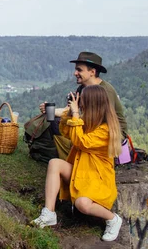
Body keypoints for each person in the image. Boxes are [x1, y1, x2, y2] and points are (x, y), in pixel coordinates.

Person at [32, 85, 123, 242]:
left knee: (83, 204)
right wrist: (69, 112)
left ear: (92, 104)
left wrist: (75, 113)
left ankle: (113, 219)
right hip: (82, 171)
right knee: (54, 163)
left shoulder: (106, 130)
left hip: (97, 179)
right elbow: (66, 132)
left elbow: (82, 142)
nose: (81, 104)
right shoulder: (88, 122)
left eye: (83, 101)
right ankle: (49, 213)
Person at [40, 52, 127, 141]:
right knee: (54, 123)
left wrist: (76, 119)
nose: (75, 73)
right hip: (93, 127)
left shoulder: (104, 91)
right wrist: (50, 110)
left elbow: (102, 122)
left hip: (112, 134)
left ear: (92, 72)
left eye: (79, 70)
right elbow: (70, 110)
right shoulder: (82, 89)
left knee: (67, 127)